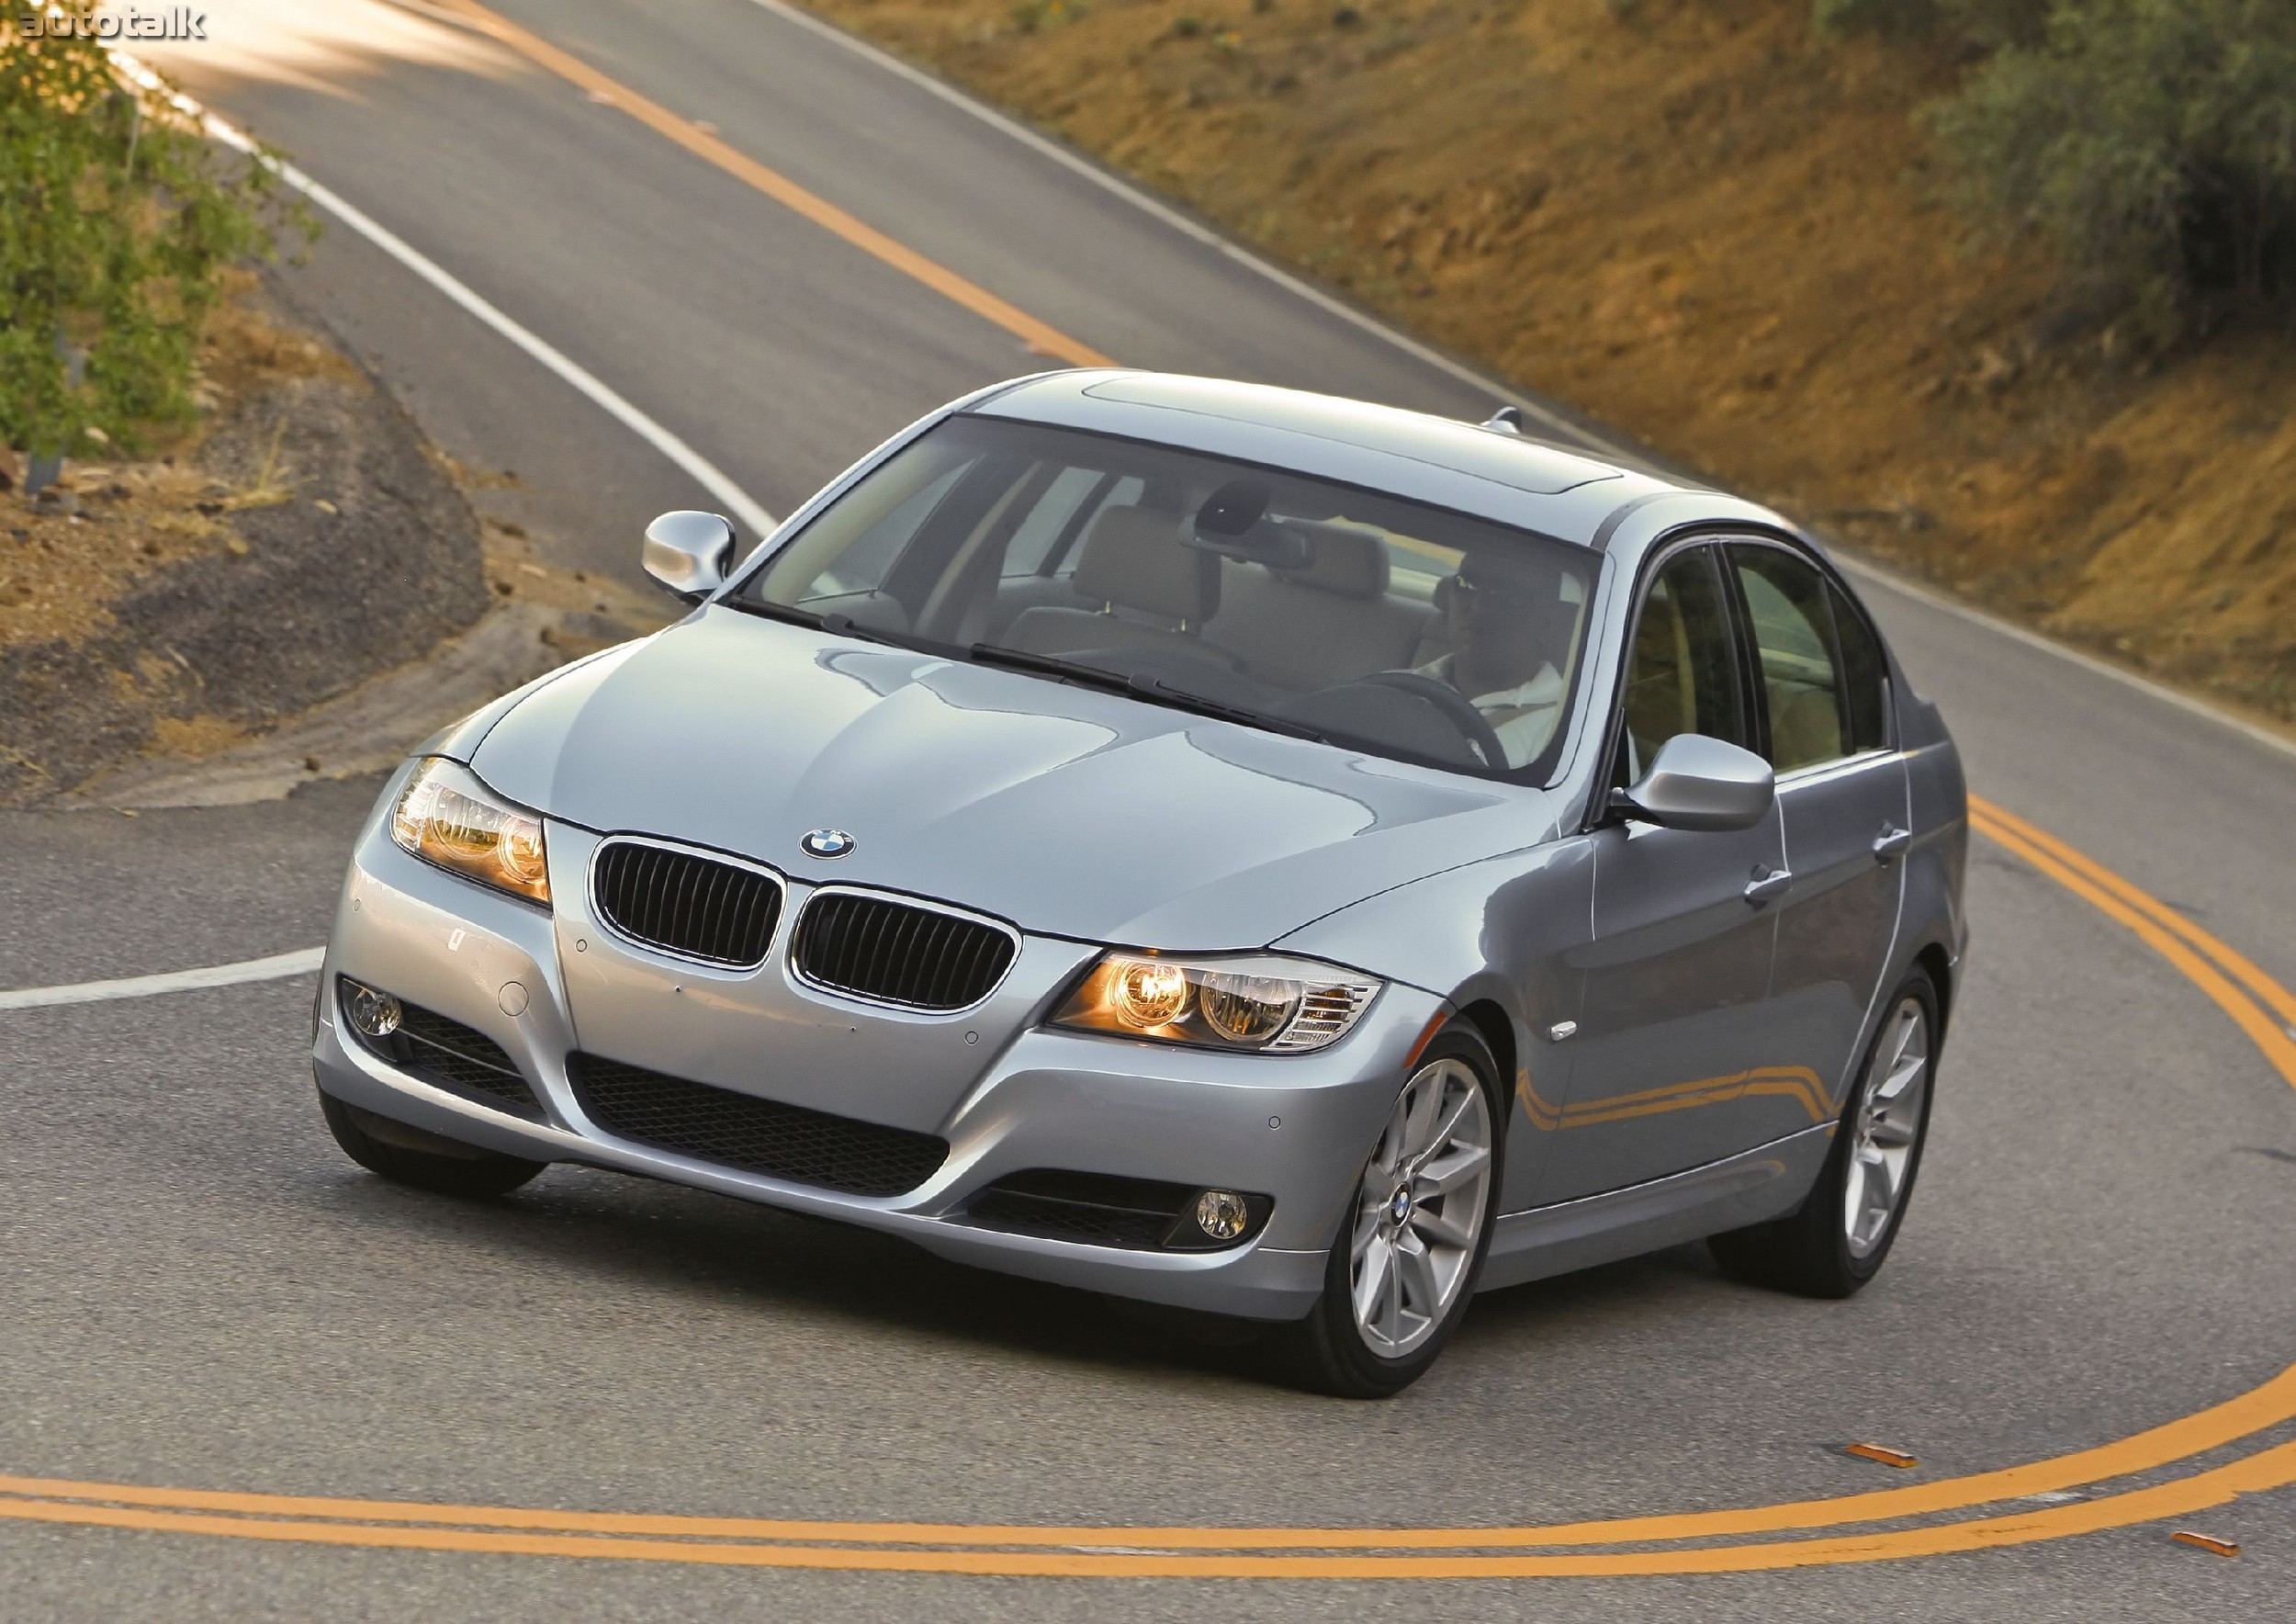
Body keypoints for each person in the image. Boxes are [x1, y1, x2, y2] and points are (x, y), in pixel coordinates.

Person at [1415, 547, 1581, 768]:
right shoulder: (1393, 688)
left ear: (1548, 620)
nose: (1478, 604)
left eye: (1506, 593)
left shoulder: (1575, 737)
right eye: (1466, 584)